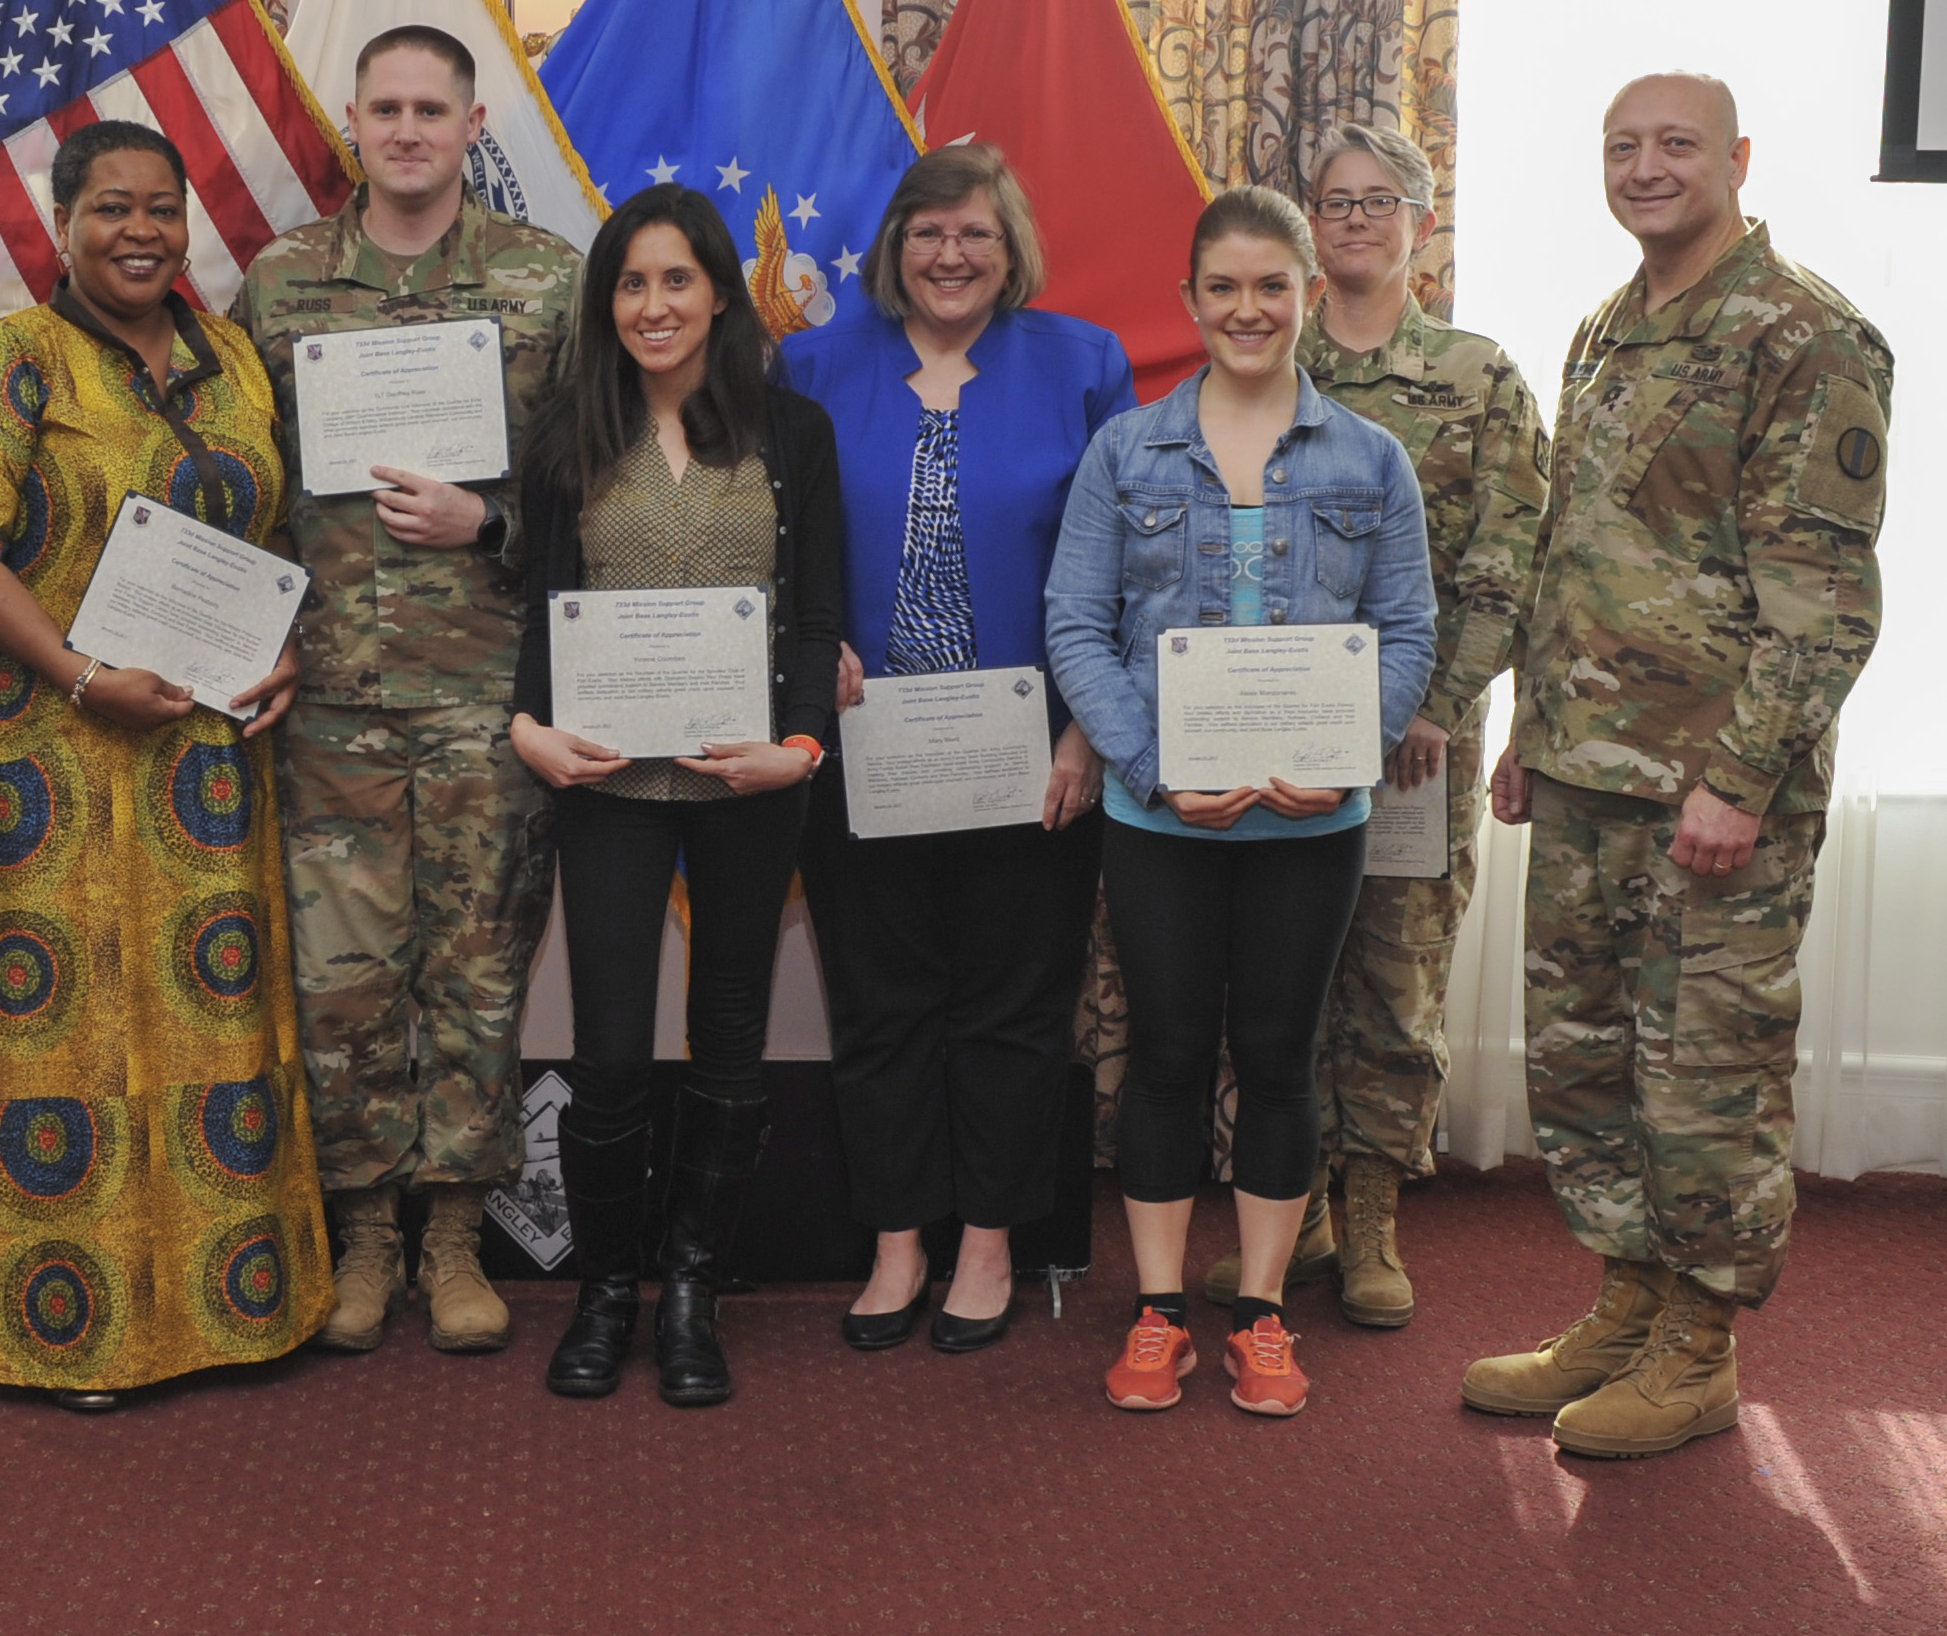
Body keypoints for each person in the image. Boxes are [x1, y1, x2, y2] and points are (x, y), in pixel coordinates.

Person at [1465, 74, 1890, 1459]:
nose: (1644, 169)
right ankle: (1627, 1303)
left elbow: (1822, 599)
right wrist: (1530, 728)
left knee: (1704, 1075)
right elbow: (1572, 551)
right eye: (1620, 149)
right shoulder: (1608, 327)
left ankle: (1698, 1349)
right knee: (1585, 1065)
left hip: (1713, 793)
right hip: (1590, 772)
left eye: (1674, 146)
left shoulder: (1803, 335)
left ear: (1735, 159)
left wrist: (1742, 780)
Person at [0, 118, 331, 1408]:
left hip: (206, 769)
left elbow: (277, 532)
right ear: (63, 224)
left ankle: (235, 1314)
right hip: (56, 764)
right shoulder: (9, 359)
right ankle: (73, 1337)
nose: (141, 231)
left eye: (162, 208)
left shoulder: (233, 362)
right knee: (71, 1042)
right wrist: (79, 674)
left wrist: (283, 651)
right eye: (112, 209)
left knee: (213, 1026)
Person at [1045, 187, 1434, 1419]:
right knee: (1160, 1057)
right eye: (1223, 287)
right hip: (1161, 817)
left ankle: (1260, 1315)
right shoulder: (1125, 452)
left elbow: (1408, 627)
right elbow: (1075, 625)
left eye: (1273, 285)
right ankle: (1159, 1312)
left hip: (1310, 820)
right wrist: (1153, 767)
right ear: (1189, 301)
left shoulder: (1373, 459)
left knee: (1276, 1057)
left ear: (1311, 296)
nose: (1247, 309)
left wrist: (1351, 752)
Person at [229, 26, 582, 1355]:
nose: (407, 130)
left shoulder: (542, 282)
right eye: (384, 108)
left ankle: (454, 1233)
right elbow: (239, 486)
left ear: (469, 117)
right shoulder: (278, 286)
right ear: (354, 122)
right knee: (343, 985)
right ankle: (365, 1230)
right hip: (328, 700)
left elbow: (589, 497)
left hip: (486, 700)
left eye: (431, 108)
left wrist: (484, 524)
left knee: (479, 978)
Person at [780, 145, 1133, 1353]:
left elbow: (1122, 566)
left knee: (1012, 1011)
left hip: (1031, 758)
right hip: (861, 753)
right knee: (878, 1009)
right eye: (926, 233)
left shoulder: (1081, 366)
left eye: (973, 233)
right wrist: (800, 647)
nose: (949, 255)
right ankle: (894, 1246)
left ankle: (987, 1242)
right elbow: (765, 539)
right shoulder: (811, 366)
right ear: (892, 248)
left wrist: (1089, 728)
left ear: (1009, 247)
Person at [1200, 125, 1547, 1328]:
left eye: (1377, 202)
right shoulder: (1262, 363)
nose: (1353, 221)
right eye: (1332, 202)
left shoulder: (1476, 376)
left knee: (1393, 984)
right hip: (1261, 732)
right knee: (1275, 979)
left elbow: (1508, 565)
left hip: (1412, 747)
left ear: (1421, 223)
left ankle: (1374, 1225)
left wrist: (1437, 711)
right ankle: (1291, 1214)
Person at [509, 184, 843, 1407]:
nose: (654, 306)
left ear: (718, 292)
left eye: (677, 281)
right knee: (605, 1056)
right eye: (632, 284)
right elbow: (541, 615)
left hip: (749, 786)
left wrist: (798, 746)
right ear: (609, 302)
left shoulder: (789, 434)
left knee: (731, 1046)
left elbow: (817, 622)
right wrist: (525, 731)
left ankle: (693, 1289)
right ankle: (607, 1293)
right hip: (604, 787)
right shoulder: (566, 440)